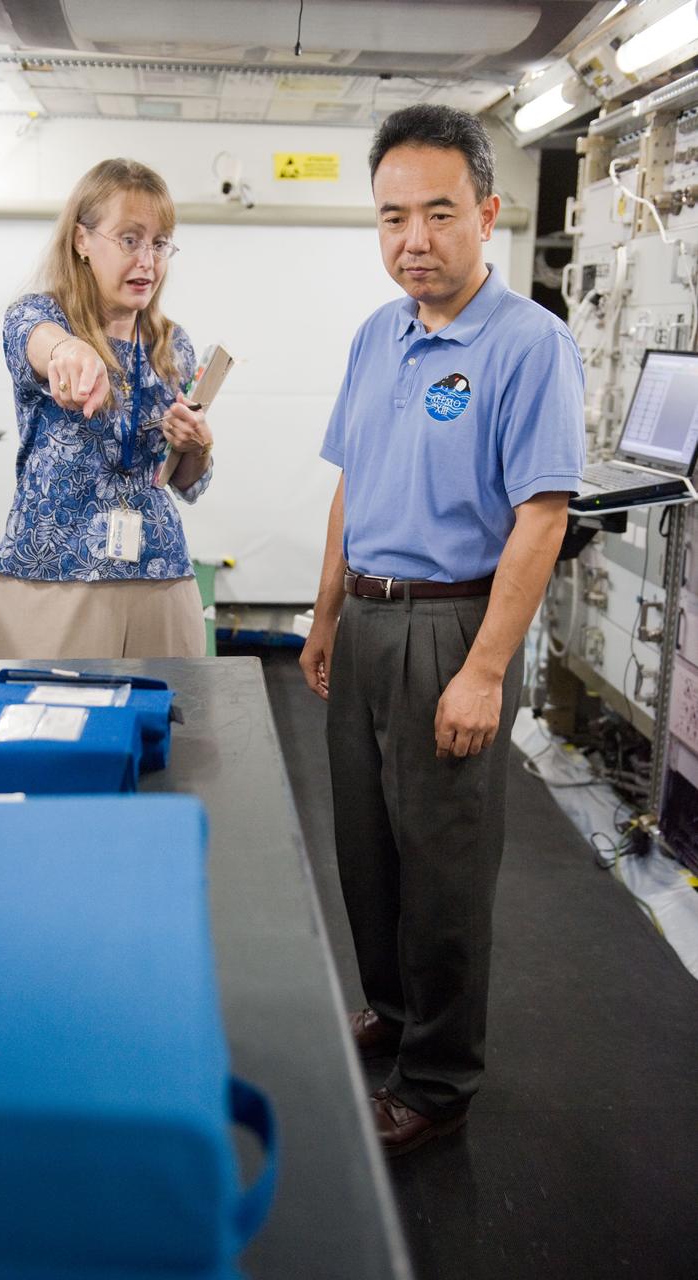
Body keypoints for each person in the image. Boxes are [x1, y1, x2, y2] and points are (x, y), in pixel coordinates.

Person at [300, 105, 585, 1155]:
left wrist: (483, 671)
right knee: (367, 846)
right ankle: (389, 1008)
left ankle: (437, 1076)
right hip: (367, 620)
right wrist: (322, 611)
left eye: (435, 212)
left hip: (450, 626)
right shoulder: (376, 335)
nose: (411, 238)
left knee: (444, 864)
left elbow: (540, 517)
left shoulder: (528, 345)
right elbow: (349, 486)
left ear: (485, 212)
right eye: (390, 218)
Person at [0, 158, 212, 660]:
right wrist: (68, 351)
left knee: (170, 728)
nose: (148, 261)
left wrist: (196, 443)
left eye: (159, 243)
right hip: (54, 579)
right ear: (82, 240)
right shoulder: (39, 316)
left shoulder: (174, 347)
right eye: (130, 240)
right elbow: (38, 341)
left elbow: (187, 483)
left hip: (160, 576)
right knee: (47, 729)